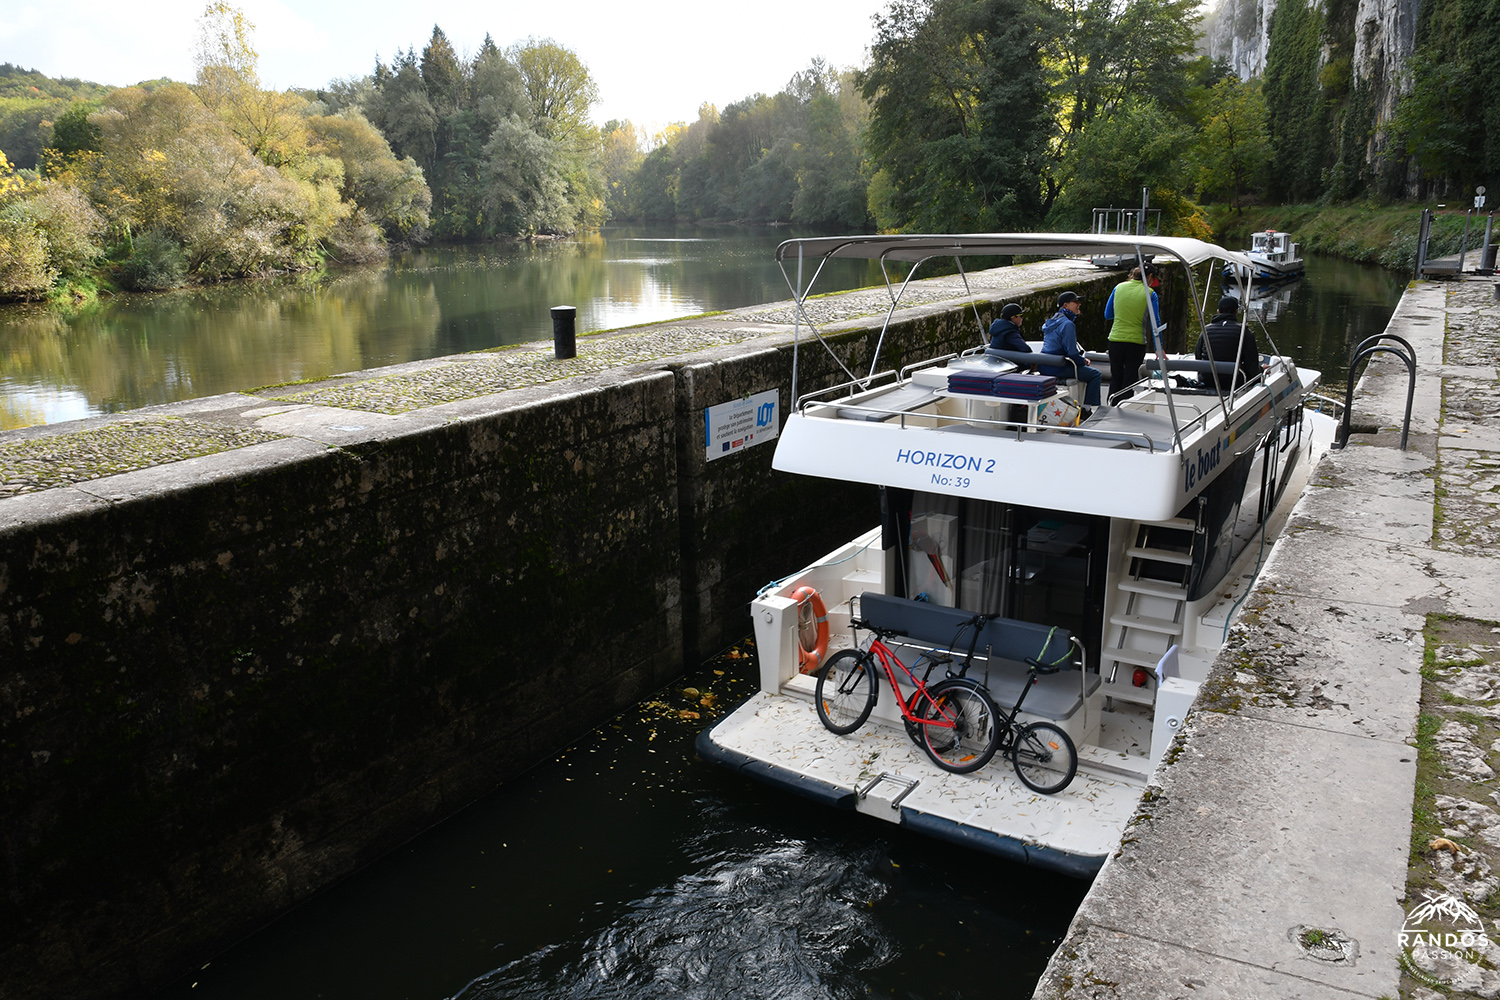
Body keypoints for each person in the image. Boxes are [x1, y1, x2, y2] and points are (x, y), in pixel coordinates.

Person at [1102, 264, 1162, 404]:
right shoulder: (1150, 293)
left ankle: (1111, 408)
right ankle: (1125, 411)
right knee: (1129, 378)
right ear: (1150, 277)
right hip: (1136, 342)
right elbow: (1155, 323)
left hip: (1115, 340)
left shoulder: (1118, 287)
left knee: (1116, 376)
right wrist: (1159, 348)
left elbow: (1108, 314)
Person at [1039, 291, 1101, 408]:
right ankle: (1088, 409)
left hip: (1045, 366)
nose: (1079, 304)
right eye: (1075, 302)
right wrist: (1083, 361)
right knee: (1095, 375)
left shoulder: (1050, 322)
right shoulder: (1068, 324)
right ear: (1065, 305)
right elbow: (1072, 353)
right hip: (1059, 367)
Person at [1195, 295, 1262, 393]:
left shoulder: (1206, 330)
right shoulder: (1244, 331)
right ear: (1236, 312)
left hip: (1208, 380)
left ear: (1218, 311)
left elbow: (1198, 357)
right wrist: (1262, 370)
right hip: (1234, 381)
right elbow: (1251, 366)